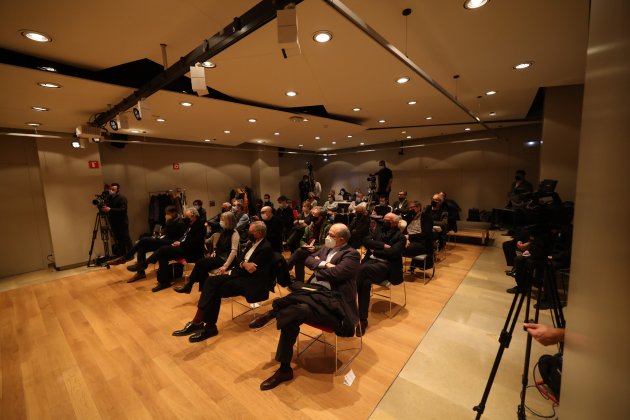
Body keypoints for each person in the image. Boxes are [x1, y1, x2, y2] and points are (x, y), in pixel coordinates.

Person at [249, 223, 360, 390]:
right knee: (294, 315)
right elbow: (307, 259)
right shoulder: (326, 249)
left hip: (333, 302)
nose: (326, 237)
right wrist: (323, 264)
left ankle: (273, 313)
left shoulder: (352, 254)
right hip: (312, 292)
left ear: (341, 239)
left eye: (330, 234)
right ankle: (284, 369)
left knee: (298, 309)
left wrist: (318, 267)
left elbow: (337, 274)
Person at [171, 221, 273, 342]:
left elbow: (250, 271)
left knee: (213, 288)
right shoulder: (252, 243)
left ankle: (201, 323)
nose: (248, 233)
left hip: (249, 281)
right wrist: (243, 264)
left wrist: (234, 269)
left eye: (250, 232)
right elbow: (238, 260)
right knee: (211, 283)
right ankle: (205, 325)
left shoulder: (265, 248)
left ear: (259, 233)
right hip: (239, 274)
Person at [127, 207, 205, 292]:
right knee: (163, 255)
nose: (185, 218)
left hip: (191, 252)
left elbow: (196, 243)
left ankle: (144, 264)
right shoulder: (190, 224)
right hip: (183, 247)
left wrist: (180, 243)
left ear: (193, 216)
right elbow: (183, 237)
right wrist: (177, 242)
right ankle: (164, 282)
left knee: (163, 249)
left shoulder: (200, 226)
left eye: (187, 216)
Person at [355, 213, 405, 336]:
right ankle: (363, 320)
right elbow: (365, 241)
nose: (383, 221)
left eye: (387, 220)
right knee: (365, 282)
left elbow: (393, 253)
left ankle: (346, 300)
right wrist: (382, 246)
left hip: (386, 268)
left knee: (361, 270)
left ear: (395, 222)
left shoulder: (401, 237)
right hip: (370, 263)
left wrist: (375, 251)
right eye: (384, 219)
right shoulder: (378, 230)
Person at [110, 206, 187, 282]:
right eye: (166, 213)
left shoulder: (181, 223)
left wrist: (161, 238)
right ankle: (140, 273)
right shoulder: (169, 221)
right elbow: (166, 232)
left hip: (171, 243)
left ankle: (125, 258)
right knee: (142, 248)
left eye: (168, 213)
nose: (166, 215)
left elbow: (179, 239)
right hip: (164, 240)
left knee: (143, 239)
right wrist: (160, 233)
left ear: (174, 213)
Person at [174, 211, 239, 293]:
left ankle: (190, 285)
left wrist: (225, 266)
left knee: (200, 263)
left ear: (229, 221)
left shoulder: (235, 234)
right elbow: (220, 246)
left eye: (223, 220)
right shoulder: (224, 231)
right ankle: (204, 289)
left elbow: (233, 252)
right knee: (202, 266)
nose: (221, 222)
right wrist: (215, 252)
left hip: (226, 260)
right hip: (219, 257)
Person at [287, 207, 331, 283]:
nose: (311, 216)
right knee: (299, 255)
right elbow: (303, 239)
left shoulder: (328, 227)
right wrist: (304, 244)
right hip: (308, 248)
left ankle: (286, 268)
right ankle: (299, 281)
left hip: (321, 250)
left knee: (299, 252)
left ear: (321, 217)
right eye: (312, 213)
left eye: (314, 214)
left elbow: (328, 245)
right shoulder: (310, 226)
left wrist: (316, 248)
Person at [101, 182, 132, 258]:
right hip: (113, 221)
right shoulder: (109, 198)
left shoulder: (122, 197)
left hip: (122, 221)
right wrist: (103, 207)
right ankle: (122, 254)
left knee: (125, 237)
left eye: (113, 189)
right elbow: (107, 207)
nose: (112, 190)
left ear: (118, 189)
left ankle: (131, 254)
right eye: (111, 189)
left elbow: (123, 210)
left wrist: (110, 209)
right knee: (118, 238)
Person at [402, 201, 434, 271]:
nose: (410, 210)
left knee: (400, 247)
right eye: (409, 208)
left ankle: (396, 270)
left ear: (418, 207)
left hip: (421, 243)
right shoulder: (410, 217)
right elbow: (404, 231)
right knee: (395, 245)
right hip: (408, 240)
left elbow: (425, 234)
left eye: (412, 208)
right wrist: (406, 239)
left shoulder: (426, 217)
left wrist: (409, 237)